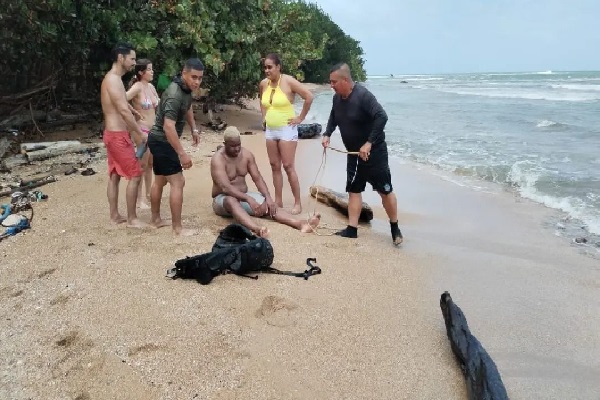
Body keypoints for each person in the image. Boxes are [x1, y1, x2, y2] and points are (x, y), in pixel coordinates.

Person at [322, 63, 403, 245]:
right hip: (353, 154)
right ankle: (352, 229)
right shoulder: (337, 98)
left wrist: (368, 143)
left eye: (334, 82)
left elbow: (382, 116)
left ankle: (395, 227)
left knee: (385, 190)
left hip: (374, 153)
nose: (331, 85)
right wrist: (327, 133)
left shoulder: (363, 96)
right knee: (354, 190)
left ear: (345, 80)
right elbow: (334, 116)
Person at [211, 128, 321, 238]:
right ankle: (257, 229)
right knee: (231, 200)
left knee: (268, 204)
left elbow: (257, 178)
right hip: (223, 200)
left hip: (243, 198)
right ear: (225, 144)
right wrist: (248, 199)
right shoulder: (218, 159)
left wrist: (267, 197)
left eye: (238, 145)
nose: (236, 149)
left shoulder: (246, 155)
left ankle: (300, 224)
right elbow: (226, 188)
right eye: (232, 146)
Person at [147, 58, 203, 236]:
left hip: (161, 140)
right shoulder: (174, 93)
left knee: (160, 180)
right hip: (163, 141)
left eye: (200, 78)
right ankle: (177, 228)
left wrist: (193, 128)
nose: (197, 81)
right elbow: (168, 126)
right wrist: (182, 154)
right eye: (194, 77)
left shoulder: (186, 89)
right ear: (184, 73)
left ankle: (155, 219)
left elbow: (187, 107)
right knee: (178, 182)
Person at [100, 42, 148, 228]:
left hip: (112, 134)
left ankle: (114, 216)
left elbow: (120, 102)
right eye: (132, 59)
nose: (134, 63)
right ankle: (132, 219)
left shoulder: (114, 79)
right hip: (117, 135)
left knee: (114, 175)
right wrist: (139, 132)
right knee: (135, 174)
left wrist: (132, 110)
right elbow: (121, 109)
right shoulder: (113, 79)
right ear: (121, 58)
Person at [259, 53, 314, 215]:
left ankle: (297, 203)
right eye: (265, 67)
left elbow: (309, 97)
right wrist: (264, 118)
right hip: (271, 129)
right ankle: (278, 200)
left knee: (288, 166)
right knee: (274, 166)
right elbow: (262, 101)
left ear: (278, 67)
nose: (267, 70)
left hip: (286, 128)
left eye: (270, 67)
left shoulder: (288, 81)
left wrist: (300, 118)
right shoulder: (263, 84)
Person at [126, 58, 160, 209]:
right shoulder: (137, 87)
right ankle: (139, 199)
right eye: (150, 69)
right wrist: (134, 112)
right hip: (142, 128)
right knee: (142, 163)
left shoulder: (151, 87)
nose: (152, 72)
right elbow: (122, 99)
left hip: (153, 129)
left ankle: (148, 193)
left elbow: (157, 106)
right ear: (141, 72)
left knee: (151, 163)